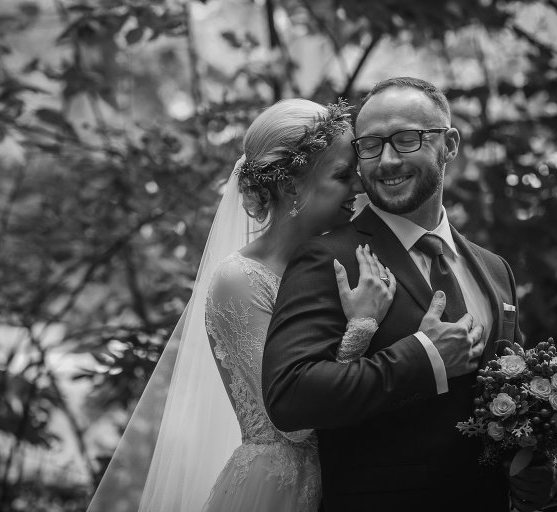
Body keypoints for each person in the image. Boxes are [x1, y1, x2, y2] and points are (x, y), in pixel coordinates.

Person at [86, 98, 400, 512]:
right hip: (277, 490)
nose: (359, 187)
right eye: (343, 175)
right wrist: (361, 326)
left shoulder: (337, 264)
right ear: (290, 186)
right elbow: (294, 425)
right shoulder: (239, 280)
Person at [262, 76, 555, 512]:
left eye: (405, 139)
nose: (386, 161)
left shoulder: (495, 270)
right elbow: (290, 395)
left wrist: (534, 468)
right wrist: (424, 356)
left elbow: (507, 400)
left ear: (449, 144)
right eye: (370, 145)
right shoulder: (328, 258)